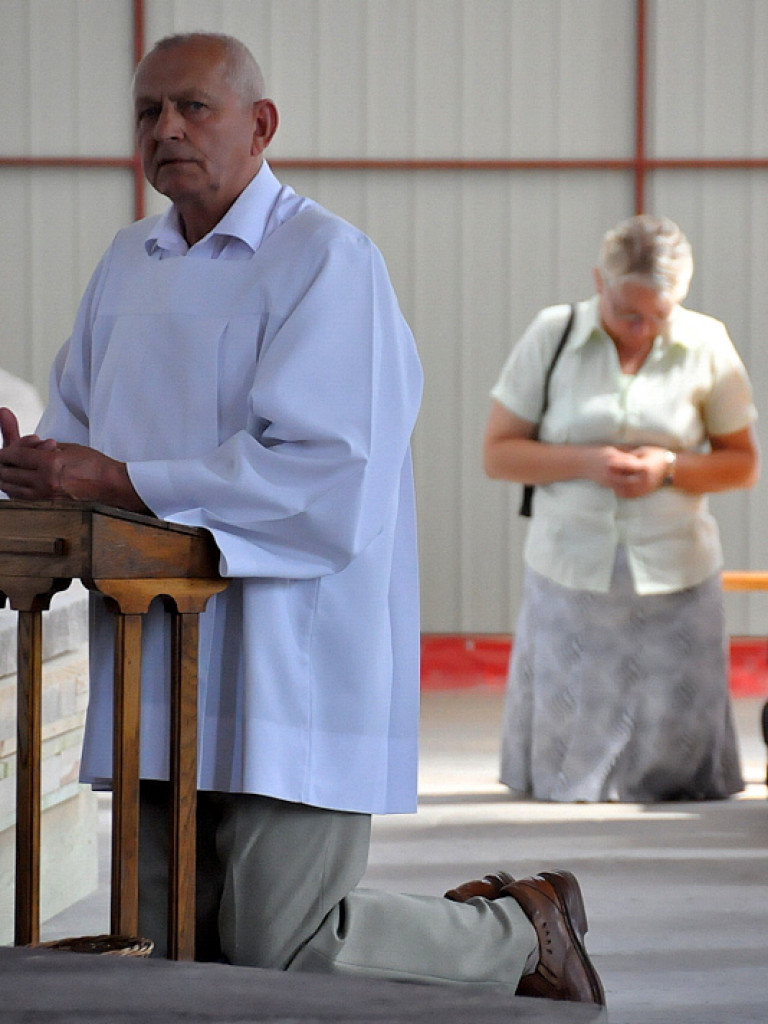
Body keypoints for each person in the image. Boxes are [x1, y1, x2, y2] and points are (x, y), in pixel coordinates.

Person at [0, 33, 604, 1007]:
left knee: (280, 943)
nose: (166, 130)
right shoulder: (129, 262)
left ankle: (514, 928)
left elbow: (331, 476)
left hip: (286, 648)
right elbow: (76, 427)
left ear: (261, 125)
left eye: (193, 108)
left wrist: (112, 473)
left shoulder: (326, 261)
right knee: (172, 944)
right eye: (148, 112)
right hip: (156, 640)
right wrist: (35, 465)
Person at [484, 214, 759, 804]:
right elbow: (499, 454)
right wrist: (586, 462)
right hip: (569, 569)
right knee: (568, 750)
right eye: (627, 314)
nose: (643, 331)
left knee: (683, 765)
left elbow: (741, 463)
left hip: (677, 570)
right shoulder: (551, 335)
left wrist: (667, 469)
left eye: (660, 316)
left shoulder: (707, 343)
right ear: (597, 284)